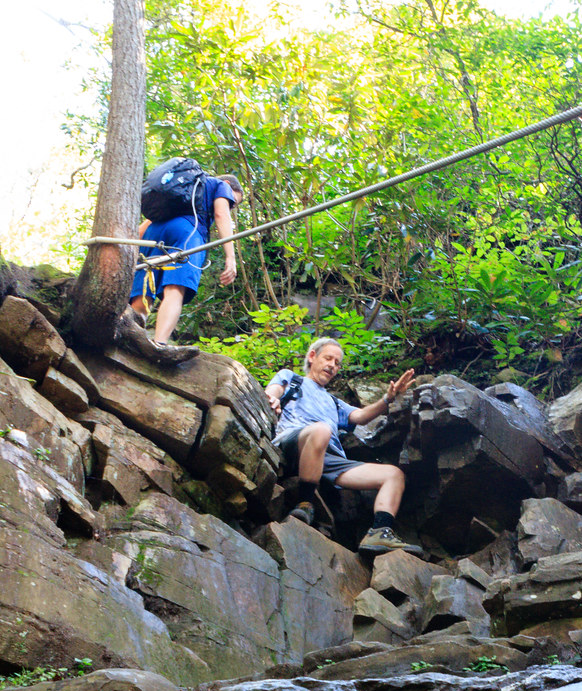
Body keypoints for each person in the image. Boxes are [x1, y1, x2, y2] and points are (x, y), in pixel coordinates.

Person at [266, 337, 421, 555]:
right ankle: (305, 503)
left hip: (329, 459)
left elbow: (360, 416)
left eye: (337, 363)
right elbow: (273, 392)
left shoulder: (334, 402)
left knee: (394, 475)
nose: (332, 366)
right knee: (321, 430)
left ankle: (379, 532)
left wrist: (388, 399)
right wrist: (271, 399)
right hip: (296, 443)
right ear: (312, 357)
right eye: (328, 358)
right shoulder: (292, 379)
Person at [128, 172, 243, 345]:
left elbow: (143, 228)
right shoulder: (221, 186)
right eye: (233, 202)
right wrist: (231, 257)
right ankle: (159, 345)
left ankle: (128, 340)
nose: (231, 206)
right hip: (187, 234)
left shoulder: (183, 190)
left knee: (143, 292)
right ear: (227, 184)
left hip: (154, 233)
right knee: (175, 289)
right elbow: (221, 215)